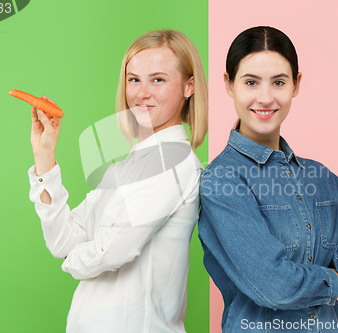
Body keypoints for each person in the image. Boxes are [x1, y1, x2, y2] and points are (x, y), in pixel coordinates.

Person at [198, 26, 338, 332]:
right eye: (251, 82)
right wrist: (334, 283)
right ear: (229, 84)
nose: (266, 97)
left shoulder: (320, 177)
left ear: (296, 84)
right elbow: (274, 286)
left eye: (279, 82)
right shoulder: (221, 181)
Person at [27, 29, 208, 332]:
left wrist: (71, 262)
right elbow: (63, 239)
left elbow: (116, 248)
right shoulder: (123, 167)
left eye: (158, 79)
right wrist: (45, 156)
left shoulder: (176, 162)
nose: (141, 92)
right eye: (134, 79)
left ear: (189, 86)